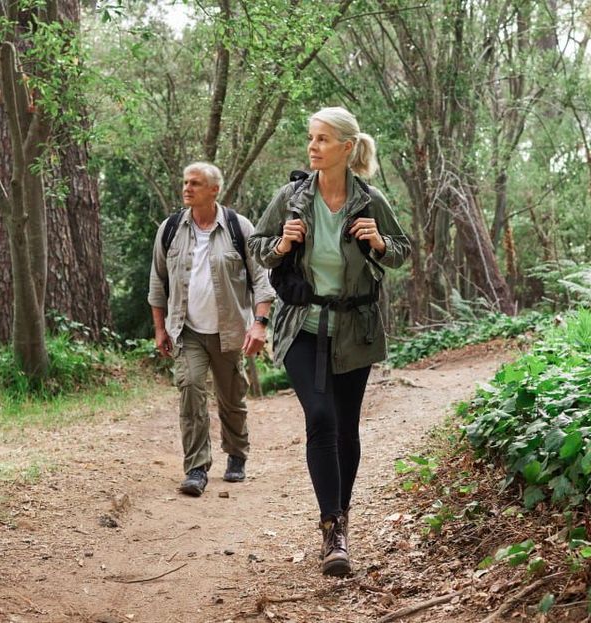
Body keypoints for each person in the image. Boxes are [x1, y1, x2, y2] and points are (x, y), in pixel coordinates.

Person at [248, 107, 410, 576]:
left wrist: (378, 241)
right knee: (320, 418)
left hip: (354, 330)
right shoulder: (291, 197)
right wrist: (281, 244)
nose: (312, 146)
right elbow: (257, 246)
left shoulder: (369, 199)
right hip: (302, 326)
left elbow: (401, 251)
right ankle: (331, 526)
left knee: (346, 429)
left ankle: (341, 521)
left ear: (345, 147)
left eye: (322, 139)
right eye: (310, 138)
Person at [148, 162, 275, 497]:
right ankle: (196, 468)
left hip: (229, 330)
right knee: (190, 388)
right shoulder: (171, 228)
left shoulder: (239, 227)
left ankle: (236, 454)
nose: (187, 188)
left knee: (231, 397)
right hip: (186, 330)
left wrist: (260, 325)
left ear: (214, 189)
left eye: (195, 183)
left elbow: (262, 281)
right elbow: (157, 284)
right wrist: (160, 329)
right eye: (185, 182)